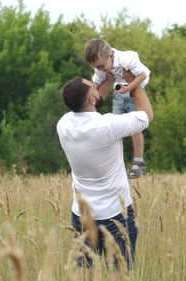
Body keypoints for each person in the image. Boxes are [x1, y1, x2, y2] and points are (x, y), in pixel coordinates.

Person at [56, 70, 153, 279]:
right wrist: (135, 83)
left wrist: (108, 81)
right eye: (93, 85)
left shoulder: (63, 124)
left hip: (81, 214)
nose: (96, 84)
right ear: (92, 98)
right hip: (115, 215)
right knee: (119, 274)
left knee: (84, 273)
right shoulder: (107, 125)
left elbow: (90, 104)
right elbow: (147, 115)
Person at [84, 38, 151, 179]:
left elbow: (142, 75)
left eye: (101, 66)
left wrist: (130, 87)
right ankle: (113, 161)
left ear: (111, 56)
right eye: (96, 67)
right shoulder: (101, 67)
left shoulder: (128, 58)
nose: (100, 69)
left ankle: (138, 160)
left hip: (135, 91)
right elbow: (97, 82)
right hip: (120, 93)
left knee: (135, 126)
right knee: (114, 127)